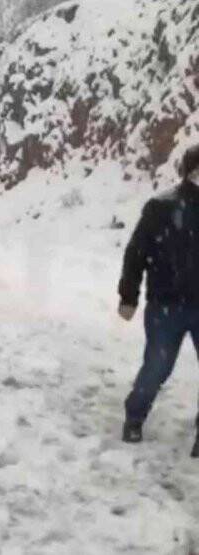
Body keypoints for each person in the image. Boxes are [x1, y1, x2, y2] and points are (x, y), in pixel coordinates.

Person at [119, 144, 199, 454]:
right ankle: (134, 417)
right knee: (157, 366)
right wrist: (129, 295)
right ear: (188, 173)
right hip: (165, 306)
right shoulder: (160, 207)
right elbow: (135, 253)